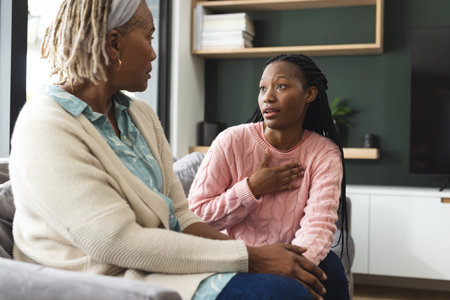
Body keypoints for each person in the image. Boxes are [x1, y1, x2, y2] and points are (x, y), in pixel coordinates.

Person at [9, 1, 327, 300]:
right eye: (149, 38)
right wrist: (251, 257)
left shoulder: (141, 116)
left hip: (161, 267)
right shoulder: (45, 125)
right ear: (113, 44)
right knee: (283, 292)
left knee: (320, 276)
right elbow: (115, 243)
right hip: (102, 281)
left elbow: (182, 217)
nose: (153, 54)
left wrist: (256, 255)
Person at [189, 53, 350, 299]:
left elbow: (318, 226)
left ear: (309, 94)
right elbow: (195, 217)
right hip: (235, 256)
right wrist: (251, 187)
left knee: (332, 271)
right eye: (262, 88)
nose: (268, 97)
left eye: (281, 86)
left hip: (291, 253)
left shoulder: (323, 152)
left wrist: (289, 267)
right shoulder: (231, 141)